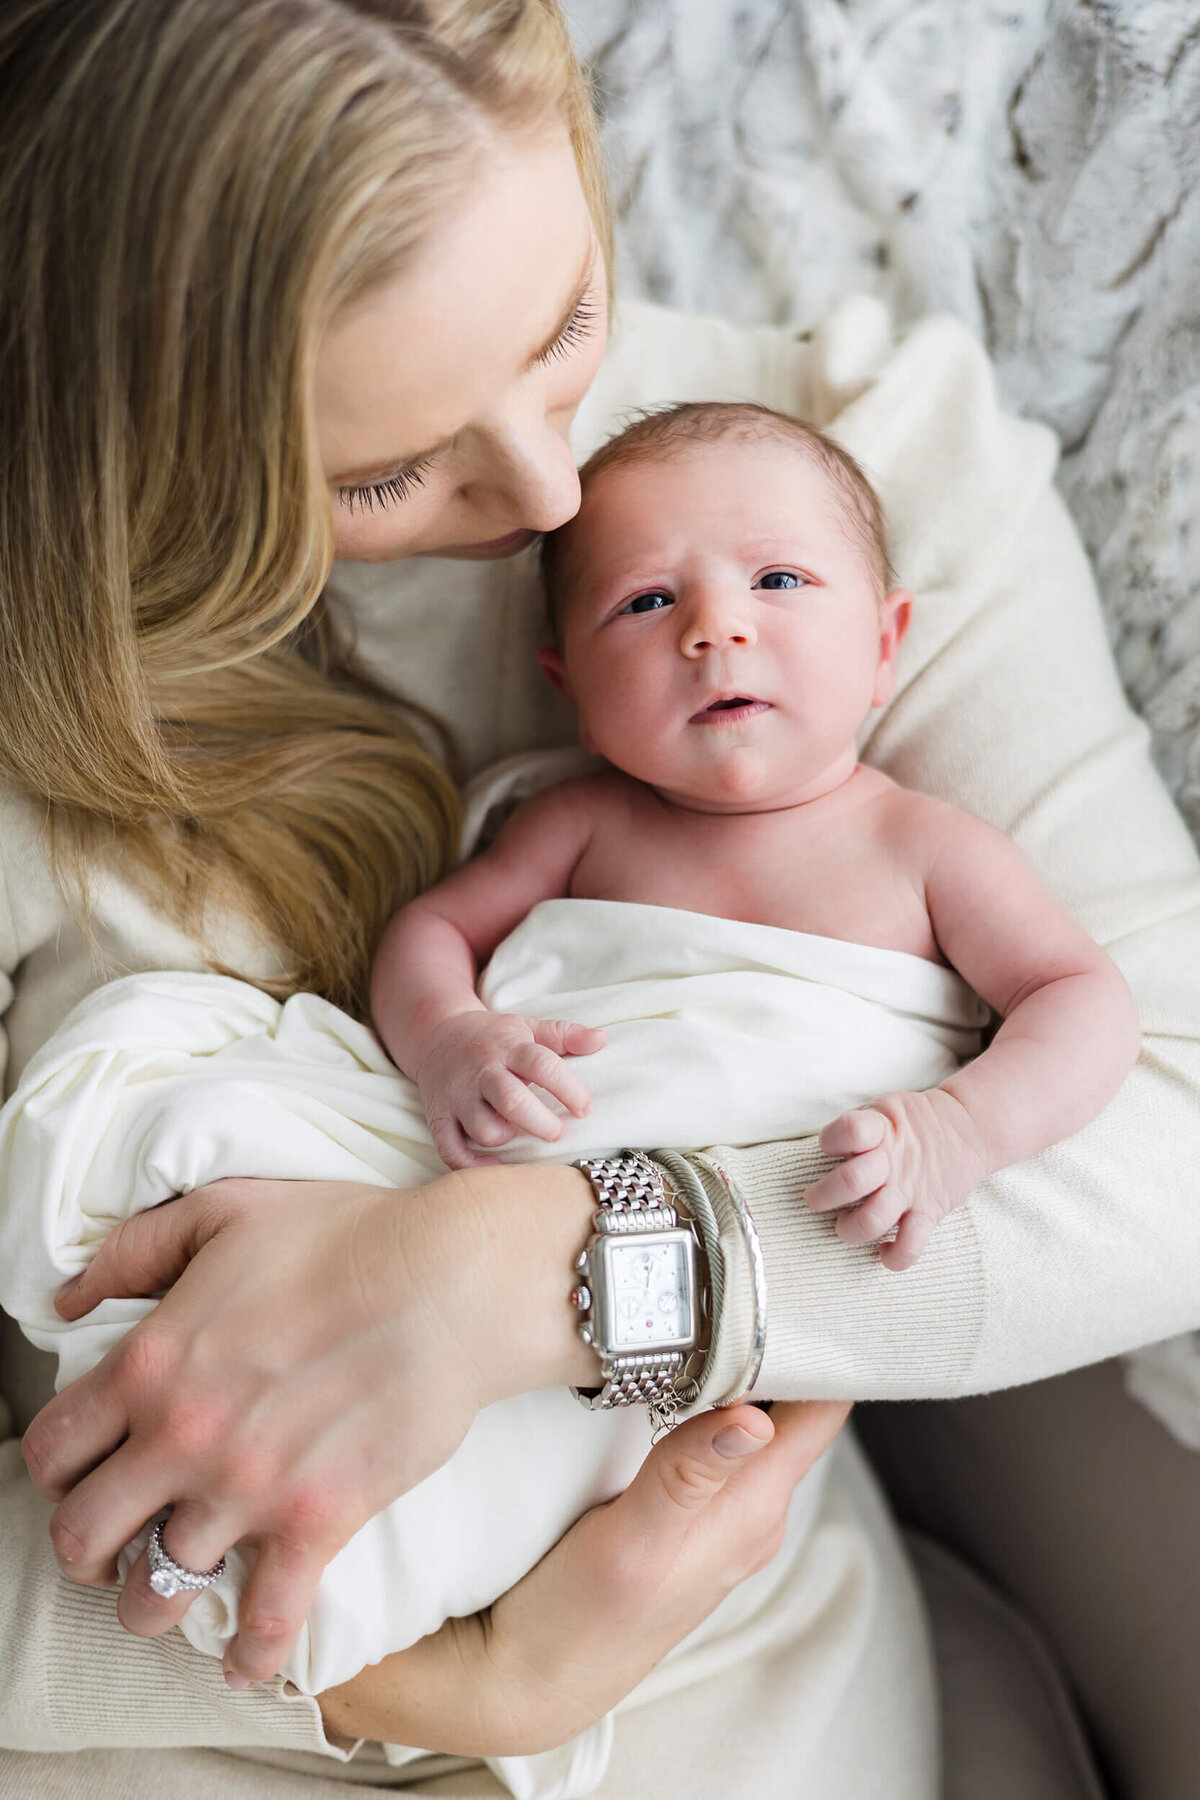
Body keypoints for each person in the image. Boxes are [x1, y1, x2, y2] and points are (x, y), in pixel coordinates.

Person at [2, 2, 1198, 1798]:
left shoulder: (852, 462)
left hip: (729, 1671)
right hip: (172, 1695)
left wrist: (542, 1270)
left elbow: (1168, 1109)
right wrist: (445, 1680)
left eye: (569, 320)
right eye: (382, 472)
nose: (557, 492)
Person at [375, 401, 1138, 1271]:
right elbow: (427, 934)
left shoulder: (926, 850)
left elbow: (1083, 998)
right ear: (573, 692)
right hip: (513, 1225)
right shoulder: (579, 825)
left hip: (767, 1266)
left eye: (777, 581)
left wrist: (959, 1131)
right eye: (648, 600)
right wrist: (448, 1040)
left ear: (886, 645)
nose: (714, 629)